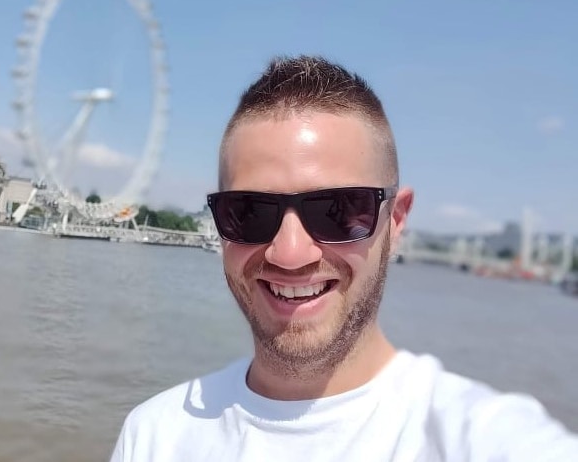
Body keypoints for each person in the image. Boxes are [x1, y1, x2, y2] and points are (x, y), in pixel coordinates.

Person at [110, 55, 578, 461]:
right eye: (248, 212)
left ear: (395, 220)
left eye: (338, 211)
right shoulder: (155, 435)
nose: (290, 253)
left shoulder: (486, 439)